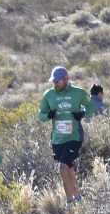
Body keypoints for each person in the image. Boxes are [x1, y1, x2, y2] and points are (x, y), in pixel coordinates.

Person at [37, 67, 93, 205]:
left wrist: (82, 113)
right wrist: (48, 115)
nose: (54, 83)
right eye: (53, 81)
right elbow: (41, 114)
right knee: (68, 167)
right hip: (57, 139)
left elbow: (91, 106)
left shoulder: (78, 93)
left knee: (62, 167)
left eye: (57, 81)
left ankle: (69, 202)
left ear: (66, 79)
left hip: (74, 137)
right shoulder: (48, 95)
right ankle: (78, 197)